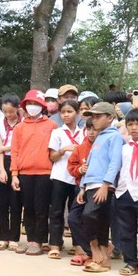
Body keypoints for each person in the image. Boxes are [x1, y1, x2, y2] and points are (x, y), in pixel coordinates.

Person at [77, 102, 124, 272]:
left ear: (110, 118)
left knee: (88, 215)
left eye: (98, 117)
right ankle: (104, 257)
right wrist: (83, 186)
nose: (94, 120)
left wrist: (106, 184)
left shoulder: (114, 136)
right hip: (90, 184)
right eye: (93, 117)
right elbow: (89, 163)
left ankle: (94, 246)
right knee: (101, 220)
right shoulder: (99, 137)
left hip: (102, 184)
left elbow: (115, 162)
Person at [10, 89, 57, 255]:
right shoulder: (19, 127)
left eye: (36, 103)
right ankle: (31, 239)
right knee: (28, 207)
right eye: (29, 103)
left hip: (45, 172)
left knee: (41, 208)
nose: (32, 106)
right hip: (24, 173)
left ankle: (39, 240)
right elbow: (15, 151)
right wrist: (14, 174)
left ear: (42, 106)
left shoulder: (52, 125)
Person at [46, 100, 83, 258]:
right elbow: (52, 157)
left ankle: (78, 244)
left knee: (76, 212)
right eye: (63, 112)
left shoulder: (83, 133)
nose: (66, 115)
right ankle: (55, 243)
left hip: (77, 177)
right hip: (60, 176)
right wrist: (63, 150)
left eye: (70, 111)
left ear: (77, 113)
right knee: (56, 210)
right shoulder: (57, 133)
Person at [115, 107, 138, 276]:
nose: (134, 128)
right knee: (126, 230)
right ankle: (131, 262)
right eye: (130, 124)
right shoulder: (124, 148)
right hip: (124, 191)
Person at [0, 93, 23, 250]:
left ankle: (14, 237)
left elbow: (22, 145)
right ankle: (3, 235)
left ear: (17, 108)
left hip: (19, 161)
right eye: (5, 111)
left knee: (16, 202)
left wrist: (4, 147)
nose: (8, 114)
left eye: (11, 111)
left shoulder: (23, 123)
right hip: (3, 161)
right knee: (2, 202)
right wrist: (2, 170)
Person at [67, 119, 97, 265]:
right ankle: (86, 251)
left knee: (90, 218)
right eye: (88, 129)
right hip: (81, 188)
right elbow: (71, 166)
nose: (91, 133)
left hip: (99, 188)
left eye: (94, 129)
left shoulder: (105, 145)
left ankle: (97, 250)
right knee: (73, 218)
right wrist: (79, 170)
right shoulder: (80, 148)